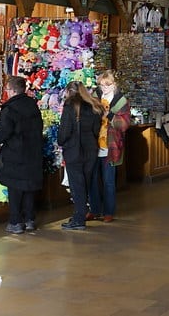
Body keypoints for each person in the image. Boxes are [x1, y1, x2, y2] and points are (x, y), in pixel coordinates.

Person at [0, 75, 44, 234]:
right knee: (28, 187)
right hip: (33, 152)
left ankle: (15, 222)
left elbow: (3, 132)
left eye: (6, 89)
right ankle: (30, 220)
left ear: (11, 90)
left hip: (15, 154)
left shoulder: (10, 108)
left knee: (15, 189)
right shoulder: (32, 105)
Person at [57, 80, 103, 230]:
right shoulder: (94, 106)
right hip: (91, 149)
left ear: (69, 92)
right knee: (86, 183)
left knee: (77, 186)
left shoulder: (70, 106)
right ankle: (81, 214)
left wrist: (61, 142)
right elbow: (96, 130)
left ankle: (79, 218)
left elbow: (65, 131)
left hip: (74, 150)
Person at [87, 70, 131, 223]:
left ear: (114, 84)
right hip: (93, 145)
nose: (104, 88)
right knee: (92, 179)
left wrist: (110, 115)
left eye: (107, 85)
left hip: (111, 146)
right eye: (101, 85)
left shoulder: (121, 101)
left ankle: (108, 212)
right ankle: (94, 209)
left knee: (108, 181)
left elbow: (124, 124)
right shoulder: (94, 98)